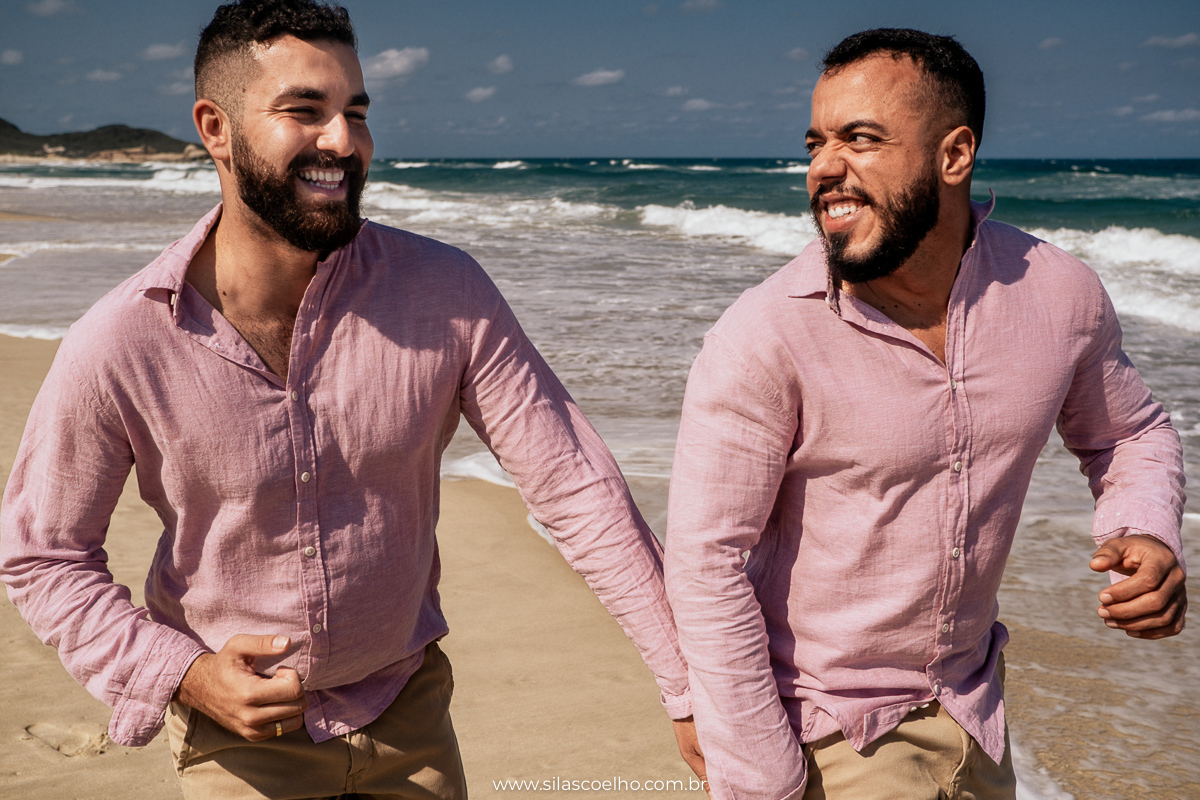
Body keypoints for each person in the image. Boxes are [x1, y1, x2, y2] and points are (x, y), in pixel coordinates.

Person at [0, 1, 702, 797]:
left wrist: (689, 686)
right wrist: (186, 673)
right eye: (306, 110)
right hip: (240, 746)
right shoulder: (120, 341)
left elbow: (575, 487)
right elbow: (43, 555)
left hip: (411, 712)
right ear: (216, 128)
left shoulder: (447, 291)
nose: (343, 141)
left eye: (356, 113)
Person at [664, 28, 1186, 800]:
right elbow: (705, 564)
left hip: (978, 712)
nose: (824, 171)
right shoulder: (766, 334)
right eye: (816, 144)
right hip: (828, 737)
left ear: (954, 155)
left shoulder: (1057, 293)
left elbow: (1129, 431)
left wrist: (1143, 528)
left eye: (860, 140)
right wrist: (759, 773)